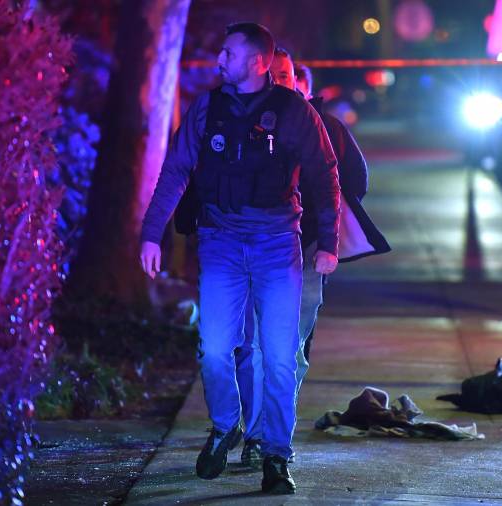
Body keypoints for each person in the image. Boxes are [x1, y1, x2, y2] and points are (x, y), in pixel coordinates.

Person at [139, 22, 340, 495]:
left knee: (279, 357)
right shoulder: (208, 107)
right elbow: (175, 169)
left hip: (276, 243)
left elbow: (323, 173)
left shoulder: (293, 111)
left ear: (256, 61)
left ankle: (275, 456)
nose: (219, 60)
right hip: (221, 241)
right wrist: (152, 235)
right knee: (214, 350)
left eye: (228, 53)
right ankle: (226, 425)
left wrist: (328, 243)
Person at [238, 48, 390, 468]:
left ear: (299, 82)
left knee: (287, 348)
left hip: (302, 254)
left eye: (285, 74)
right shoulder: (236, 121)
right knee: (250, 346)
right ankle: (257, 433)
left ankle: (271, 434)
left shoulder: (326, 129)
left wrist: (325, 219)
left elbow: (356, 179)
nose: (279, 81)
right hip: (247, 251)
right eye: (272, 74)